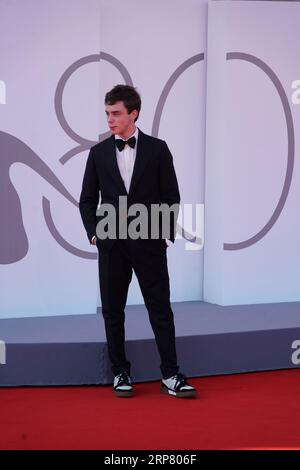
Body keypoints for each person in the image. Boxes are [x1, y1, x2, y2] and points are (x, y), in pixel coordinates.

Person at [79, 84, 196, 398]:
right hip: (112, 244)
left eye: (116, 113)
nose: (110, 120)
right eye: (107, 113)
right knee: (113, 311)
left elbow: (171, 196)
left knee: (160, 310)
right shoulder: (98, 152)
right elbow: (87, 200)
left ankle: (171, 375)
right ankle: (120, 372)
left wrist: (163, 236)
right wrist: (95, 233)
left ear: (134, 113)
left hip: (149, 243)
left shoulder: (158, 149)